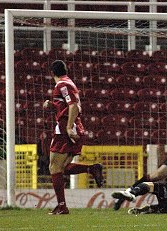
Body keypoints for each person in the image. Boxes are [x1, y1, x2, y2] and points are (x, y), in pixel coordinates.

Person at [43, 60, 104, 215]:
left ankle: (62, 206)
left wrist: (69, 127)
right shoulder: (68, 82)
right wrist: (53, 105)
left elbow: (73, 106)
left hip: (65, 130)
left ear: (52, 73)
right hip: (73, 127)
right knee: (61, 168)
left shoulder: (62, 85)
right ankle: (92, 168)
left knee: (54, 167)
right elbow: (67, 104)